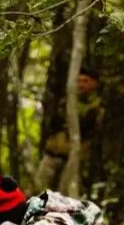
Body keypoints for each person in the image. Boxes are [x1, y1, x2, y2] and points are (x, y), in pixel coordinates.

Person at [34, 67, 103, 196]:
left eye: (85, 81)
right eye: (79, 81)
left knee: (64, 193)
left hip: (73, 157)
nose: (81, 85)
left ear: (95, 84)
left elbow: (90, 130)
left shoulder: (96, 106)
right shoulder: (66, 100)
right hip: (53, 153)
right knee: (39, 187)